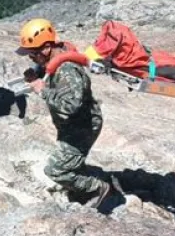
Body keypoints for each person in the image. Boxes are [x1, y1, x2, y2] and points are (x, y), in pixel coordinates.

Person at [17, 18, 112, 208]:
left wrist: (42, 90)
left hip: (82, 127)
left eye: (33, 53)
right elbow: (49, 74)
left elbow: (71, 106)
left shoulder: (68, 70)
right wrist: (36, 76)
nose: (31, 58)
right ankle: (78, 183)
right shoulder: (53, 58)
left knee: (55, 171)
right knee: (68, 163)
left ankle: (96, 188)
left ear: (46, 48)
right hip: (71, 125)